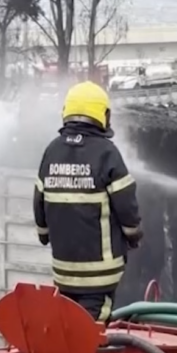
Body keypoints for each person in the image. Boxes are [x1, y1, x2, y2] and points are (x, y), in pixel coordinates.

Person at [33, 81, 143, 323]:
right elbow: (126, 204)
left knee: (68, 323)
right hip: (100, 272)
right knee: (92, 329)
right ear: (103, 114)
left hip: (64, 270)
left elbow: (39, 200)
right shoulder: (107, 152)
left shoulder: (52, 151)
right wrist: (133, 234)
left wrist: (44, 234)